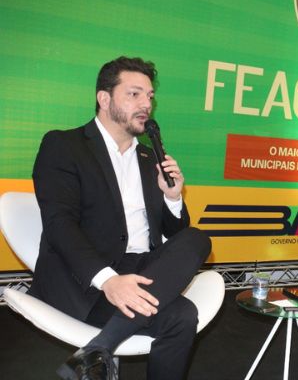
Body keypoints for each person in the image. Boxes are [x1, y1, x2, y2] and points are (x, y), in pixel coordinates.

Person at [31, 56, 212, 380]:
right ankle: (99, 349)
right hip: (89, 282)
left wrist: (172, 198)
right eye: (134, 94)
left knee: (198, 238)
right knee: (181, 316)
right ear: (104, 99)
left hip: (145, 271)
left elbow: (174, 234)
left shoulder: (149, 158)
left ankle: (98, 348)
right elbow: (59, 225)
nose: (146, 104)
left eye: (149, 96)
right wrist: (109, 281)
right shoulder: (65, 145)